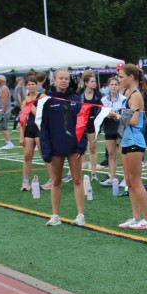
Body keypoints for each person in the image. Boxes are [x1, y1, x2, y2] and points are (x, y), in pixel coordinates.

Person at [39, 68, 88, 227]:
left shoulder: (75, 98)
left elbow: (82, 123)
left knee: (77, 179)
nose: (64, 81)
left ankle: (80, 215)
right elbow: (44, 127)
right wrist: (46, 149)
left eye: (66, 78)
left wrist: (81, 145)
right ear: (54, 80)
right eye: (61, 78)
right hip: (55, 147)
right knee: (56, 181)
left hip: (74, 147)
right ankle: (55, 215)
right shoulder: (47, 100)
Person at [114, 64, 147, 230]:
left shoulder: (136, 95)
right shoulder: (126, 94)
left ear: (131, 77)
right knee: (129, 182)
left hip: (135, 142)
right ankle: (136, 218)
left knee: (136, 182)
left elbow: (133, 121)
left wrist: (116, 116)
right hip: (126, 141)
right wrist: (119, 141)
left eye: (121, 76)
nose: (119, 80)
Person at [98, 76, 125, 186]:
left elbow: (124, 115)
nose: (114, 86)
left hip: (120, 129)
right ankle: (112, 178)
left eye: (116, 84)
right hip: (109, 129)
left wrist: (116, 115)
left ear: (119, 86)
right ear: (108, 86)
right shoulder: (103, 100)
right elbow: (100, 115)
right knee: (111, 154)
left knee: (123, 154)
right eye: (112, 84)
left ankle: (126, 178)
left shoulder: (123, 99)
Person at [18, 77, 41, 192]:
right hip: (29, 130)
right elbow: (23, 119)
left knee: (45, 155)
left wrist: (30, 103)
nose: (31, 86)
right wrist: (21, 136)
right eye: (29, 84)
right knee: (27, 156)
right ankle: (25, 182)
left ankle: (52, 180)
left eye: (33, 84)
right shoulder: (25, 100)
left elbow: (39, 114)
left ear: (37, 85)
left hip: (40, 129)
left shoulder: (41, 97)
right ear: (26, 86)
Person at [79, 71, 101, 179]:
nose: (94, 83)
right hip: (81, 123)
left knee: (92, 148)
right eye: (92, 81)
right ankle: (73, 173)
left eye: (95, 81)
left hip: (93, 123)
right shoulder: (80, 94)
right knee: (79, 147)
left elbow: (100, 109)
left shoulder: (97, 94)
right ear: (86, 83)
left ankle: (93, 173)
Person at [0, 75, 14, 149]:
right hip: (2, 110)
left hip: (3, 111)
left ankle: (8, 143)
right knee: (2, 127)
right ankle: (7, 142)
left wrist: (3, 109)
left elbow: (4, 99)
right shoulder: (1, 88)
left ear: (2, 81)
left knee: (2, 127)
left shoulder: (3, 89)